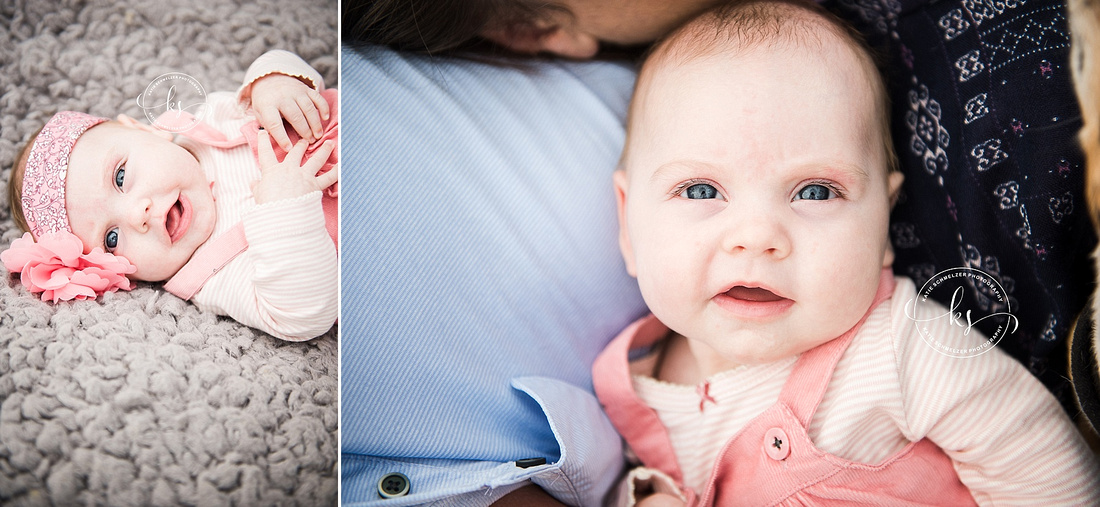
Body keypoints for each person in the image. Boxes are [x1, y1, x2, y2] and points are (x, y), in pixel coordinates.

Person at [599, 0, 1099, 505]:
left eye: (815, 192)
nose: (754, 236)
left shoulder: (903, 348)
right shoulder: (628, 395)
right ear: (627, 222)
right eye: (701, 191)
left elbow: (1045, 470)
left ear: (883, 222)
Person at [3, 50, 339, 342]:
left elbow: (282, 71)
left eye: (120, 177)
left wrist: (274, 82)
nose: (138, 214)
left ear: (143, 130)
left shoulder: (210, 121)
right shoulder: (210, 277)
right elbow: (302, 315)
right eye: (111, 237)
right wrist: (286, 212)